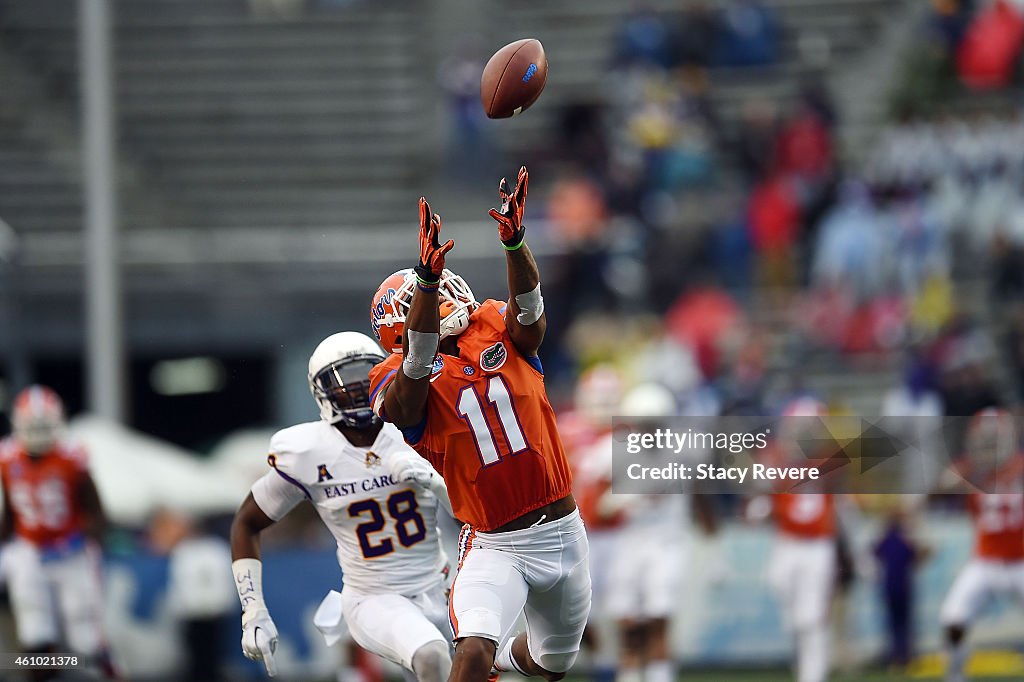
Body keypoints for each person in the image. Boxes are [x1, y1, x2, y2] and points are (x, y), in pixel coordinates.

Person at [368, 166, 591, 682]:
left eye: (440, 287)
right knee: (470, 654)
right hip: (497, 543)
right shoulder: (394, 379)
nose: (443, 297)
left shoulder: (491, 321)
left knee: (554, 663)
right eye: (425, 298)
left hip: (563, 528)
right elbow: (412, 384)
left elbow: (532, 317)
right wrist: (422, 282)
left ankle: (506, 664)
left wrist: (515, 244)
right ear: (399, 327)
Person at [230, 332, 455, 681]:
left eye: (366, 375)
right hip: (374, 597)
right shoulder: (308, 452)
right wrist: (253, 610)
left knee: (517, 659)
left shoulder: (415, 429)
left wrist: (436, 481)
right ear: (321, 393)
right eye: (343, 381)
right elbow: (246, 522)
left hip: (442, 586)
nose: (358, 389)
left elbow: (477, 512)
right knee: (430, 655)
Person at [0, 385, 120, 680]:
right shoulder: (6, 456)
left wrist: (90, 541)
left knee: (85, 636)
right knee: (35, 632)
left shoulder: (72, 455)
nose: (38, 434)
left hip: (71, 551)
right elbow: (8, 512)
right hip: (28, 551)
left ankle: (104, 673)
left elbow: (95, 508)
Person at [939, 409, 1024, 682]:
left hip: (1021, 560)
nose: (989, 445)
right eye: (985, 440)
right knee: (953, 618)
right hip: (985, 561)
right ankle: (956, 674)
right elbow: (937, 492)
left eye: (994, 439)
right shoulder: (969, 470)